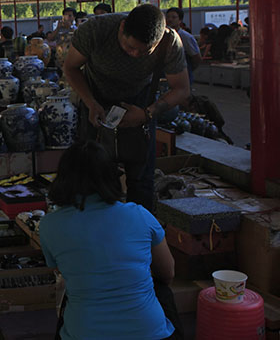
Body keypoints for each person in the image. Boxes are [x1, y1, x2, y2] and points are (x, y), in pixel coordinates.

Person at [39, 141, 177, 340]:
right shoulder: (140, 215)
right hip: (149, 333)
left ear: (62, 179)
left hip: (84, 332)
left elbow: (64, 271)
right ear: (111, 176)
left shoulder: (49, 225)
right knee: (162, 290)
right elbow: (168, 273)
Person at [62, 4, 190, 211]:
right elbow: (70, 67)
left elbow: (182, 89)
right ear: (122, 28)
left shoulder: (169, 42)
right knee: (96, 173)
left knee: (141, 178)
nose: (135, 55)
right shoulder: (97, 30)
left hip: (141, 101)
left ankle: (140, 232)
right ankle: (102, 229)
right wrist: (90, 102)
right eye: (129, 47)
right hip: (96, 97)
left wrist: (147, 114)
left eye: (144, 51)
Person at [165, 7, 202, 85]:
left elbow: (196, 57)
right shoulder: (164, 36)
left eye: (174, 17)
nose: (170, 19)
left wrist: (188, 69)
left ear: (180, 20)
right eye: (168, 17)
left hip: (183, 74)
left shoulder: (186, 37)